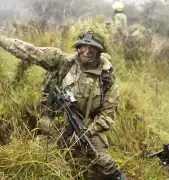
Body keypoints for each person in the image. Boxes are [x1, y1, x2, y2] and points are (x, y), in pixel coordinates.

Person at [0, 30, 126, 179]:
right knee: (42, 156)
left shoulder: (106, 80)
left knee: (105, 164)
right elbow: (29, 51)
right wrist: (2, 40)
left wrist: (88, 131)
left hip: (87, 128)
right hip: (56, 123)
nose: (87, 51)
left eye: (92, 48)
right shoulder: (62, 61)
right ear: (78, 47)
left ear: (99, 51)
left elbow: (107, 116)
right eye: (83, 46)